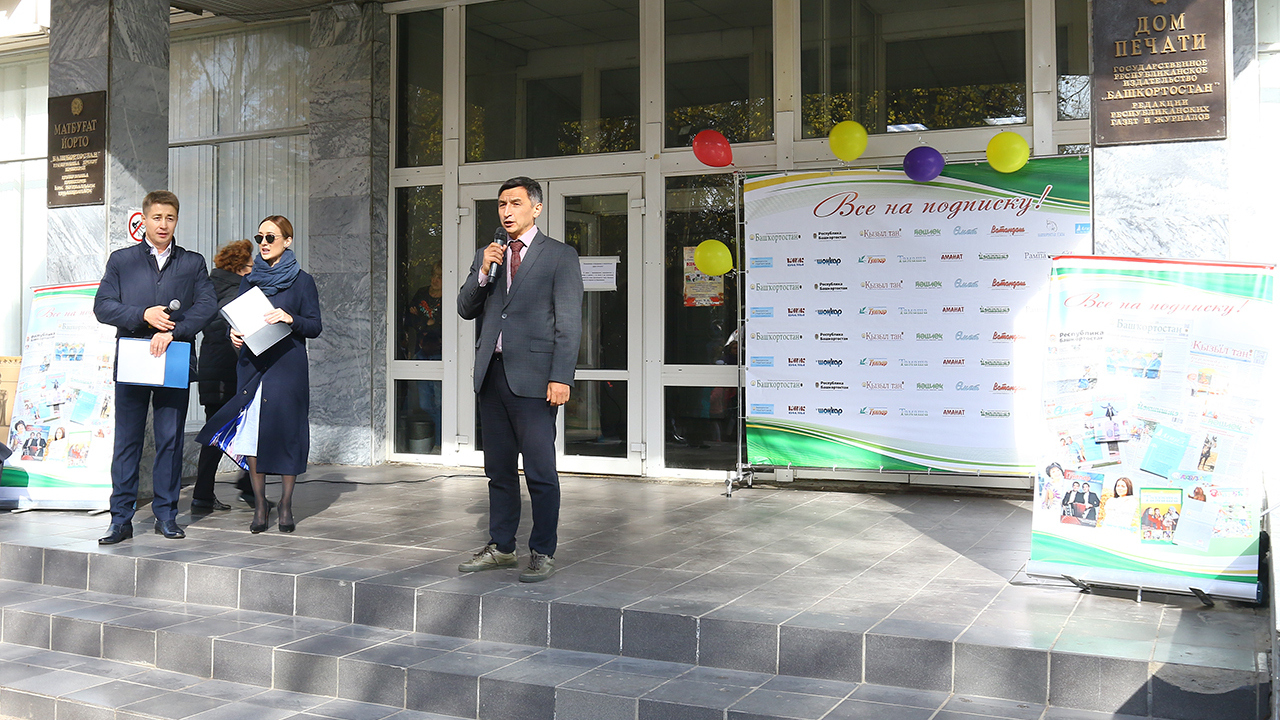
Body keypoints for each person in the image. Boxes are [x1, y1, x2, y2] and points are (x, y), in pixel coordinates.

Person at [457, 176, 583, 583]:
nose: (507, 211)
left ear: (536, 208)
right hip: (492, 377)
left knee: (541, 471)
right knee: (498, 470)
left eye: (515, 203)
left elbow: (569, 323)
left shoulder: (559, 255)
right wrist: (483, 271)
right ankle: (502, 546)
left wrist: (561, 377)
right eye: (501, 205)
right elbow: (465, 308)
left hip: (535, 380)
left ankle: (542, 550)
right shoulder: (488, 254)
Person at [92, 190, 217, 544]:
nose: (163, 224)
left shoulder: (192, 263)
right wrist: (142, 315)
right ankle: (120, 519)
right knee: (127, 441)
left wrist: (175, 330)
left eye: (170, 218)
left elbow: (207, 304)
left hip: (173, 357)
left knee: (170, 440)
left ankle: (166, 515)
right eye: (157, 217)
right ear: (144, 220)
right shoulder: (122, 261)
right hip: (134, 357)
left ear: (177, 221)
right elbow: (103, 306)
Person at [198, 215, 322, 534]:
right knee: (251, 435)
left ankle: (286, 504)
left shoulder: (303, 281)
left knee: (288, 434)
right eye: (260, 238)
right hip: (253, 367)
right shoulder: (249, 280)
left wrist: (290, 318)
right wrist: (234, 336)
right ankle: (260, 505)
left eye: (270, 237)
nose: (263, 244)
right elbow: (239, 320)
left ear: (287, 241)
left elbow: (315, 326)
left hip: (287, 368)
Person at [192, 239, 256, 512]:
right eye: (251, 266)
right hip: (228, 372)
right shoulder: (238, 293)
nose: (253, 270)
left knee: (217, 431)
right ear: (240, 267)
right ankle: (208, 492)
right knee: (225, 432)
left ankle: (213, 491)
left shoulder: (209, 288)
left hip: (212, 372)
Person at [406, 261, 444, 449]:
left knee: (440, 402)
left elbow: (442, 324)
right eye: (433, 275)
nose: (435, 280)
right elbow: (409, 319)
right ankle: (433, 441)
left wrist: (427, 322)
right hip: (421, 352)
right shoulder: (421, 293)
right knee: (425, 403)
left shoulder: (448, 296)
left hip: (441, 353)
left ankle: (439, 443)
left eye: (440, 277)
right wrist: (426, 322)